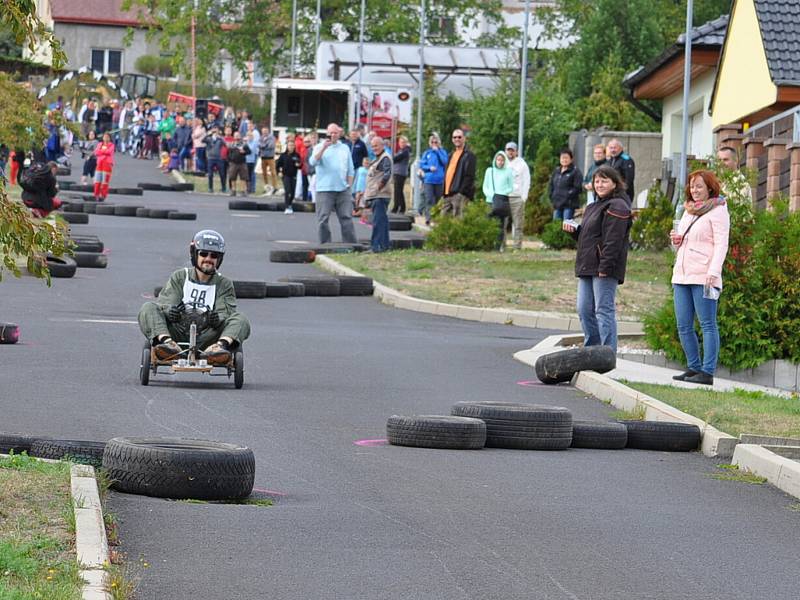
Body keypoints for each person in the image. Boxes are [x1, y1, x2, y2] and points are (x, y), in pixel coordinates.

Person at [138, 230, 251, 366]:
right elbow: (166, 302)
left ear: (219, 259)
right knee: (148, 308)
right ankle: (167, 345)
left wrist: (216, 318)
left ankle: (218, 349)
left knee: (241, 319)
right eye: (203, 254)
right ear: (194, 254)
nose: (208, 259)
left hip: (207, 337)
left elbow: (226, 312)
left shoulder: (224, 283)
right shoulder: (180, 276)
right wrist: (170, 311)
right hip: (178, 333)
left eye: (213, 255)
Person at [669, 170, 730, 386]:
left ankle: (707, 371)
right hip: (682, 275)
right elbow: (682, 242)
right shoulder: (688, 210)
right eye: (692, 186)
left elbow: (722, 243)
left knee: (707, 324)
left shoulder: (718, 210)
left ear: (710, 188)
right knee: (683, 324)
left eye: (699, 186)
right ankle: (693, 367)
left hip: (705, 275)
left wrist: (713, 272)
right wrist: (675, 241)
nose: (694, 190)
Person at [562, 165, 632, 352]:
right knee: (584, 310)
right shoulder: (593, 206)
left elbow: (614, 241)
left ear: (615, 183)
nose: (600, 184)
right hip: (587, 265)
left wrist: (605, 267)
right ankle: (592, 350)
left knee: (603, 311)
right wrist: (575, 231)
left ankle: (607, 354)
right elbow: (590, 237)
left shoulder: (618, 206)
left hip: (604, 268)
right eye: (597, 181)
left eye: (604, 181)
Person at [309, 123, 357, 244]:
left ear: (339, 134)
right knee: (323, 219)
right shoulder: (319, 146)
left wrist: (349, 186)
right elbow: (313, 162)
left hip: (342, 189)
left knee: (346, 218)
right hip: (324, 189)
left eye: (335, 133)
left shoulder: (345, 148)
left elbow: (350, 169)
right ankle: (325, 244)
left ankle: (350, 245)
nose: (333, 135)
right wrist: (324, 148)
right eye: (330, 133)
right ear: (327, 133)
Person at [364, 136, 393, 252]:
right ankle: (384, 246)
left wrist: (378, 187)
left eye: (376, 145)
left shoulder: (385, 158)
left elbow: (387, 174)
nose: (373, 148)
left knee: (377, 223)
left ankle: (376, 247)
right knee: (383, 223)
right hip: (377, 195)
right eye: (372, 146)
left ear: (382, 145)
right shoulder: (378, 158)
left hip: (380, 195)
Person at [482, 151, 514, 250]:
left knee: (500, 226)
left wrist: (502, 193)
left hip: (501, 201)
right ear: (495, 160)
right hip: (490, 201)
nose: (500, 162)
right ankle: (488, 245)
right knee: (488, 223)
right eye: (498, 160)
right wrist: (492, 196)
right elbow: (485, 186)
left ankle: (497, 246)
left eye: (502, 160)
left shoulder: (508, 172)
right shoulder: (489, 171)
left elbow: (511, 187)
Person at [441, 128, 476, 218]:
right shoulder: (450, 155)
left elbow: (469, 176)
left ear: (464, 138)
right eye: (455, 137)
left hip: (459, 194)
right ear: (452, 139)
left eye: (459, 137)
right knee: (443, 221)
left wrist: (461, 192)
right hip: (447, 194)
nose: (457, 139)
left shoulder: (469, 155)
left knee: (458, 222)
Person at [504, 141, 531, 250]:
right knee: (503, 223)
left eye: (512, 150)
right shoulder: (502, 162)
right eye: (508, 150)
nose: (510, 152)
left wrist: (524, 196)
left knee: (518, 223)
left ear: (516, 152)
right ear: (506, 151)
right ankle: (502, 245)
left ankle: (517, 246)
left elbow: (526, 180)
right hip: (504, 197)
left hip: (517, 197)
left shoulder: (522, 164)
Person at [417, 133, 448, 225]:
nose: (434, 143)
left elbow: (445, 162)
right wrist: (429, 168)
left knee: (438, 200)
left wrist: (437, 151)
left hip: (439, 180)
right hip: (428, 180)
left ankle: (436, 217)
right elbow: (422, 165)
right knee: (429, 199)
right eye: (432, 142)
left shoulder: (442, 152)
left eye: (436, 142)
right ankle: (428, 218)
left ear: (439, 143)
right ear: (430, 143)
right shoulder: (427, 153)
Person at [548, 147, 583, 221]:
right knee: (556, 226)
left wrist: (567, 195)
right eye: (562, 158)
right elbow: (551, 185)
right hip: (557, 204)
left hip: (569, 205)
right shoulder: (557, 171)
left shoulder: (575, 171)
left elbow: (578, 188)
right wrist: (551, 195)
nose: (564, 160)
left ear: (571, 159)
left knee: (567, 227)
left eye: (566, 158)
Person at [276, 138, 301, 214]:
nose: (291, 147)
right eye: (289, 145)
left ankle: (290, 204)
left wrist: (298, 165)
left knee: (293, 192)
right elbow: (277, 165)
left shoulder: (297, 155)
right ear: (287, 146)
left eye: (292, 145)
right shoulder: (283, 155)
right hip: (285, 175)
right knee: (288, 190)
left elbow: (300, 165)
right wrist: (279, 172)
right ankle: (287, 206)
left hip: (293, 175)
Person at [226, 131, 251, 197]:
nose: (237, 137)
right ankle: (233, 191)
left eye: (238, 135)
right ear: (233, 137)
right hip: (233, 163)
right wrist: (229, 160)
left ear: (240, 136)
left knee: (243, 178)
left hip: (242, 163)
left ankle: (244, 191)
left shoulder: (244, 144)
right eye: (235, 135)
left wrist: (244, 152)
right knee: (232, 177)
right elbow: (228, 153)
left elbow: (249, 152)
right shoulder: (231, 144)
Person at [93, 132, 115, 202]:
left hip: (107, 164)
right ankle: (96, 195)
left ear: (109, 138)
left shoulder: (111, 145)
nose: (105, 138)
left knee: (104, 182)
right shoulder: (99, 144)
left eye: (107, 137)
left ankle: (103, 195)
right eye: (104, 137)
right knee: (97, 181)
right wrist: (103, 151)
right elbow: (96, 152)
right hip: (99, 164)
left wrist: (101, 151)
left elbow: (109, 152)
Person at [204, 125, 226, 193]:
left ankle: (223, 188)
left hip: (218, 158)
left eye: (216, 129)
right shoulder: (209, 138)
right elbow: (203, 140)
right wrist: (209, 134)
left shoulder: (220, 139)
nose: (215, 131)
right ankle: (210, 188)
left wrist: (220, 137)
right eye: (214, 129)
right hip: (210, 158)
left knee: (222, 174)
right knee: (210, 174)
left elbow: (225, 144)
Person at [391, 136, 410, 214]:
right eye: (400, 142)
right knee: (397, 191)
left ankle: (399, 207)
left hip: (401, 173)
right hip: (397, 172)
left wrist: (393, 157)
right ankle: (398, 207)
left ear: (406, 143)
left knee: (398, 191)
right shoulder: (401, 150)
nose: (401, 144)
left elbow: (395, 159)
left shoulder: (405, 151)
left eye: (403, 142)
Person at [259, 127, 278, 195]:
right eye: (263, 131)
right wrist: (264, 145)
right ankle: (266, 187)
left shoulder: (272, 137)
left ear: (268, 131)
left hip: (270, 157)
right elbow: (259, 145)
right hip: (263, 157)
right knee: (264, 173)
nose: (264, 132)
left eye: (266, 131)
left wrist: (262, 146)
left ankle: (274, 187)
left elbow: (271, 146)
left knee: (273, 173)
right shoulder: (261, 137)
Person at [353, 157, 369, 221]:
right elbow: (356, 178)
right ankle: (356, 210)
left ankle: (361, 211)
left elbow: (368, 181)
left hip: (364, 187)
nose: (366, 164)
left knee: (362, 200)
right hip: (358, 186)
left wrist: (365, 189)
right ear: (362, 163)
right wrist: (354, 187)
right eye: (365, 163)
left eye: (367, 163)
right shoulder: (360, 169)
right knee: (357, 199)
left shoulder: (369, 171)